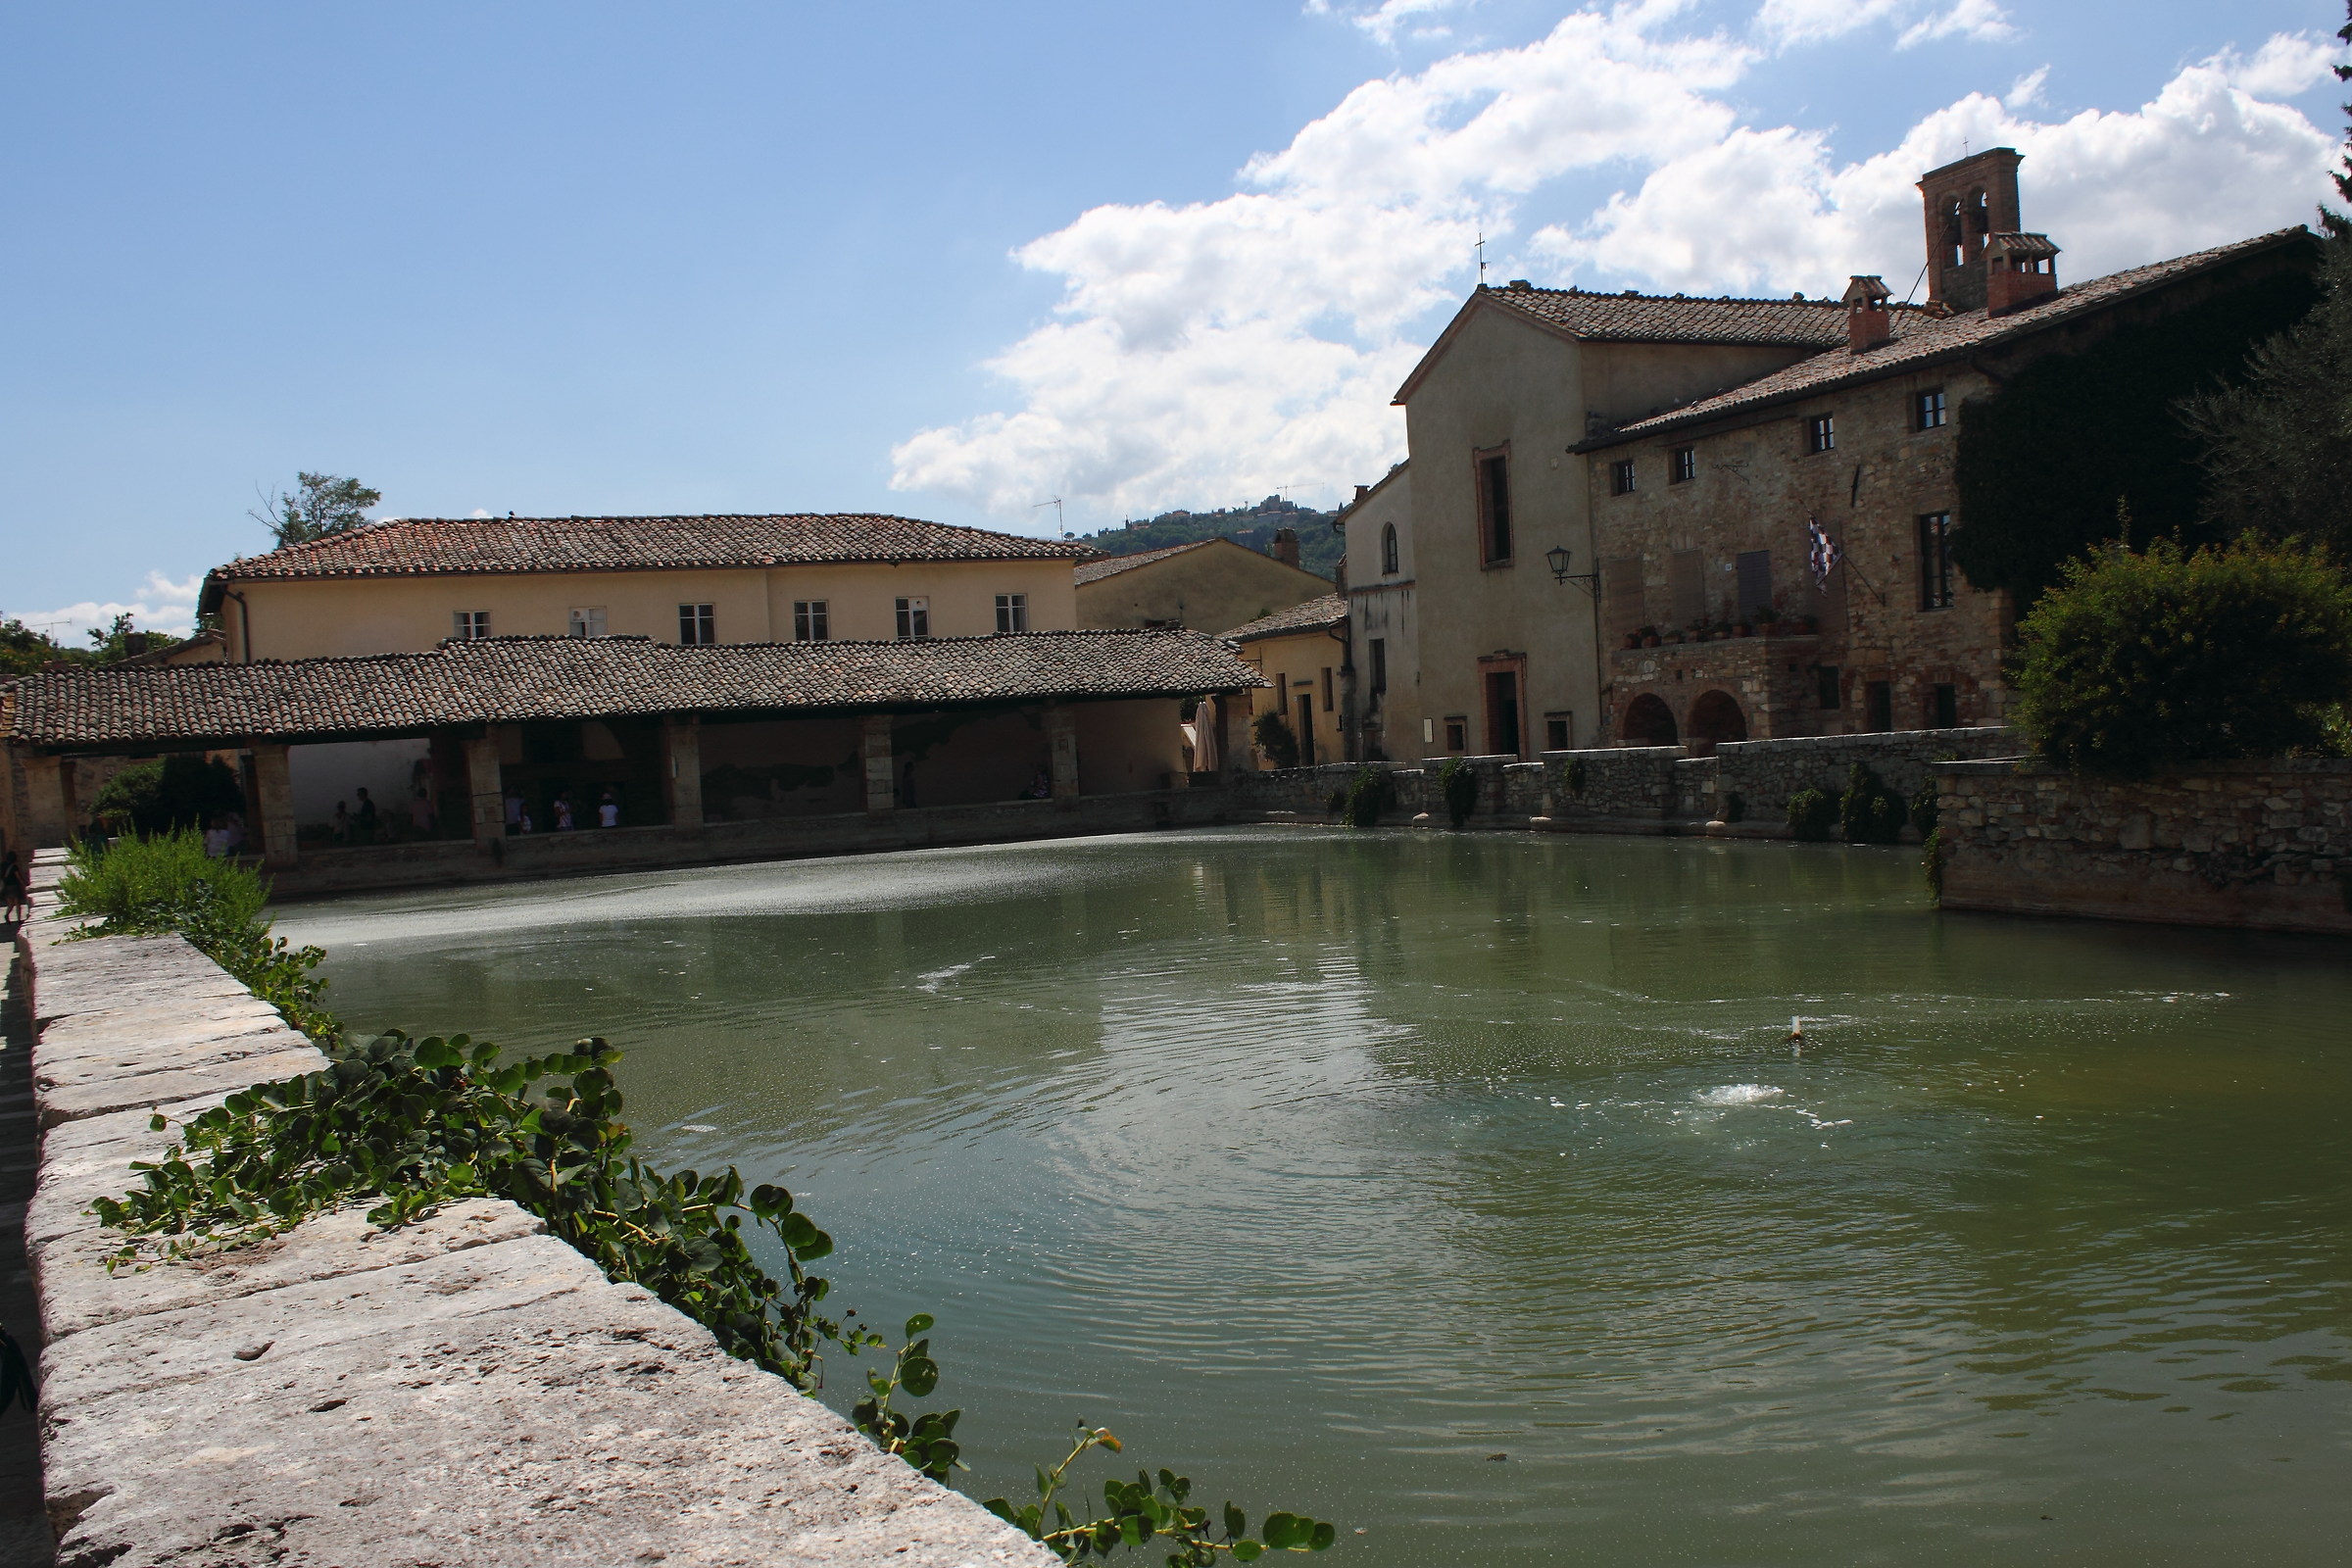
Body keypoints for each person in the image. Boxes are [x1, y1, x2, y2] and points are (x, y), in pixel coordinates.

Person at [2, 851, 28, 922]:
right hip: (14, 887)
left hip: (6, 887)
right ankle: (19, 919)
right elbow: (18, 877)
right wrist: (24, 884)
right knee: (17, 904)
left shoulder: (3, 865)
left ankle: (7, 914)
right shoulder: (14, 867)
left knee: (10, 903)